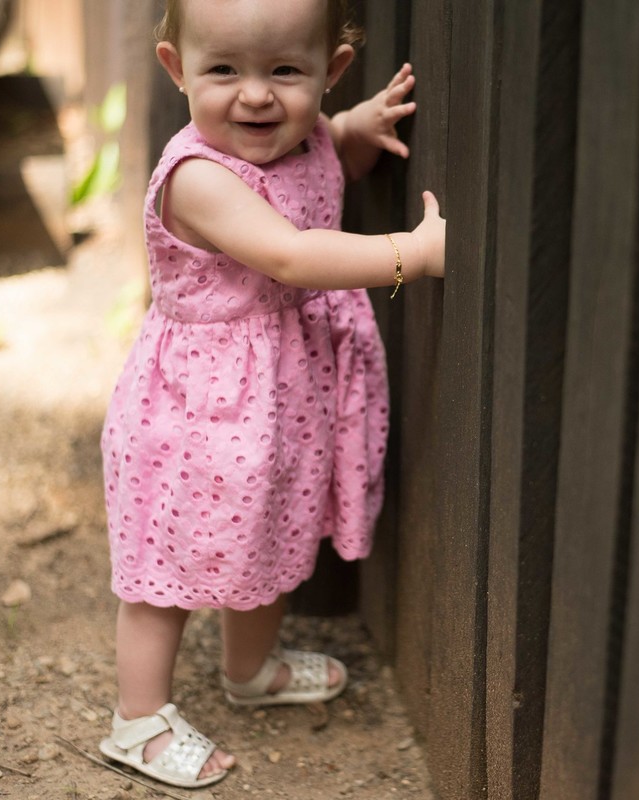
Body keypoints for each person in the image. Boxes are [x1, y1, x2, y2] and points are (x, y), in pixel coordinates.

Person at [96, 0, 445, 788]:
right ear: (177, 70)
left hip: (274, 404)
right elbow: (289, 252)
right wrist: (411, 255)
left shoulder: (307, 131)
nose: (256, 96)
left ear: (331, 73)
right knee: (169, 571)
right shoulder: (197, 179)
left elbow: (321, 159)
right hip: (197, 413)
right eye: (224, 70)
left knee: (268, 537)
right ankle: (137, 719)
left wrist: (353, 131)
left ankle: (247, 672)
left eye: (286, 70)